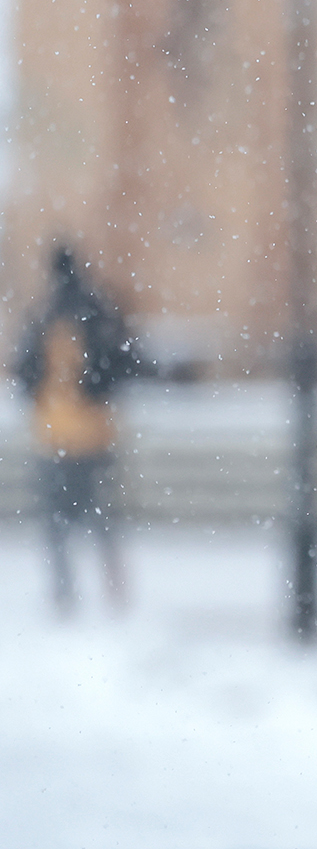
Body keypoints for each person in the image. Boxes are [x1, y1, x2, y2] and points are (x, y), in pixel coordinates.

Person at [13, 245, 144, 615]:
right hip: (96, 432)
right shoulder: (99, 309)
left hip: (52, 432)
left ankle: (63, 593)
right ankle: (114, 590)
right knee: (102, 518)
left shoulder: (41, 314)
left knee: (56, 523)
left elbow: (23, 371)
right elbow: (124, 363)